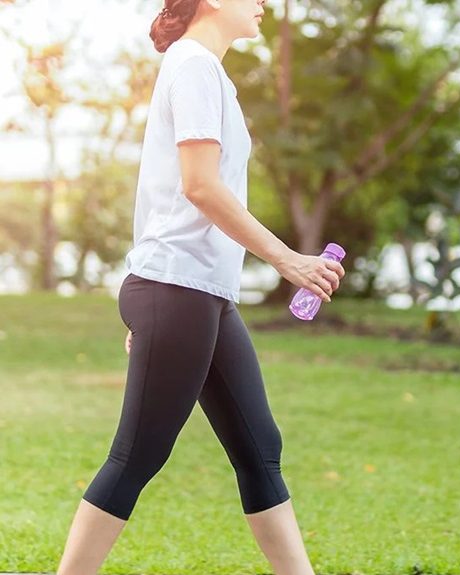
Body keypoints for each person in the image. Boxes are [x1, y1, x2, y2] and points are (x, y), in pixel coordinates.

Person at [56, 1, 345, 573]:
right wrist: (288, 259)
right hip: (176, 288)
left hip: (199, 294)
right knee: (137, 456)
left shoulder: (209, 73)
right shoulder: (191, 65)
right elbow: (199, 187)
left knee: (261, 452)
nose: (263, 2)